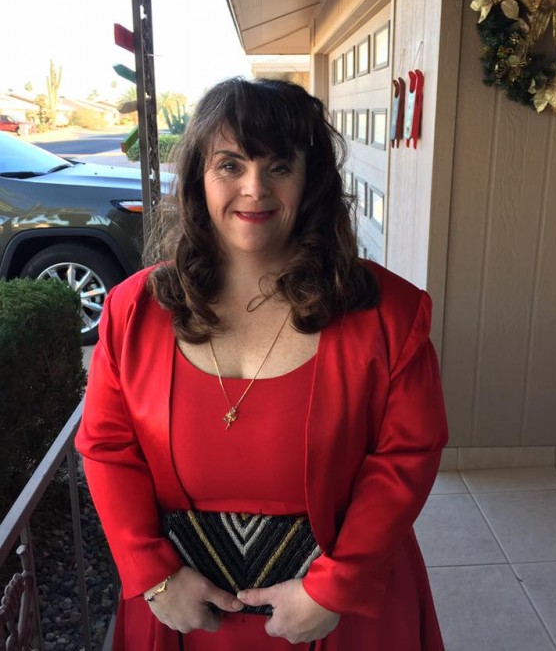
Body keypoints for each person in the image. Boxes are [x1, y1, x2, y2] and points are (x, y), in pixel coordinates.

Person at [75, 77, 448, 651]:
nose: (254, 188)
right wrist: (152, 577)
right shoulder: (134, 310)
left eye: (279, 166)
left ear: (310, 180)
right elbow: (105, 447)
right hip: (181, 614)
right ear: (200, 177)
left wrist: (335, 588)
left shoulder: (390, 315)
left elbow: (407, 455)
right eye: (230, 165)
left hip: (344, 616)